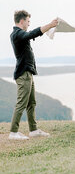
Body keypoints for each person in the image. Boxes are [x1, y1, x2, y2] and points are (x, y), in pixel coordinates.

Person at [9, 10, 58, 140]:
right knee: (22, 103)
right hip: (23, 74)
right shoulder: (17, 34)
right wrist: (50, 25)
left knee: (32, 103)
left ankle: (33, 130)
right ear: (22, 21)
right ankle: (13, 132)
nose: (29, 24)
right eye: (28, 21)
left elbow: (30, 34)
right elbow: (32, 34)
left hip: (28, 73)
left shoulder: (20, 34)